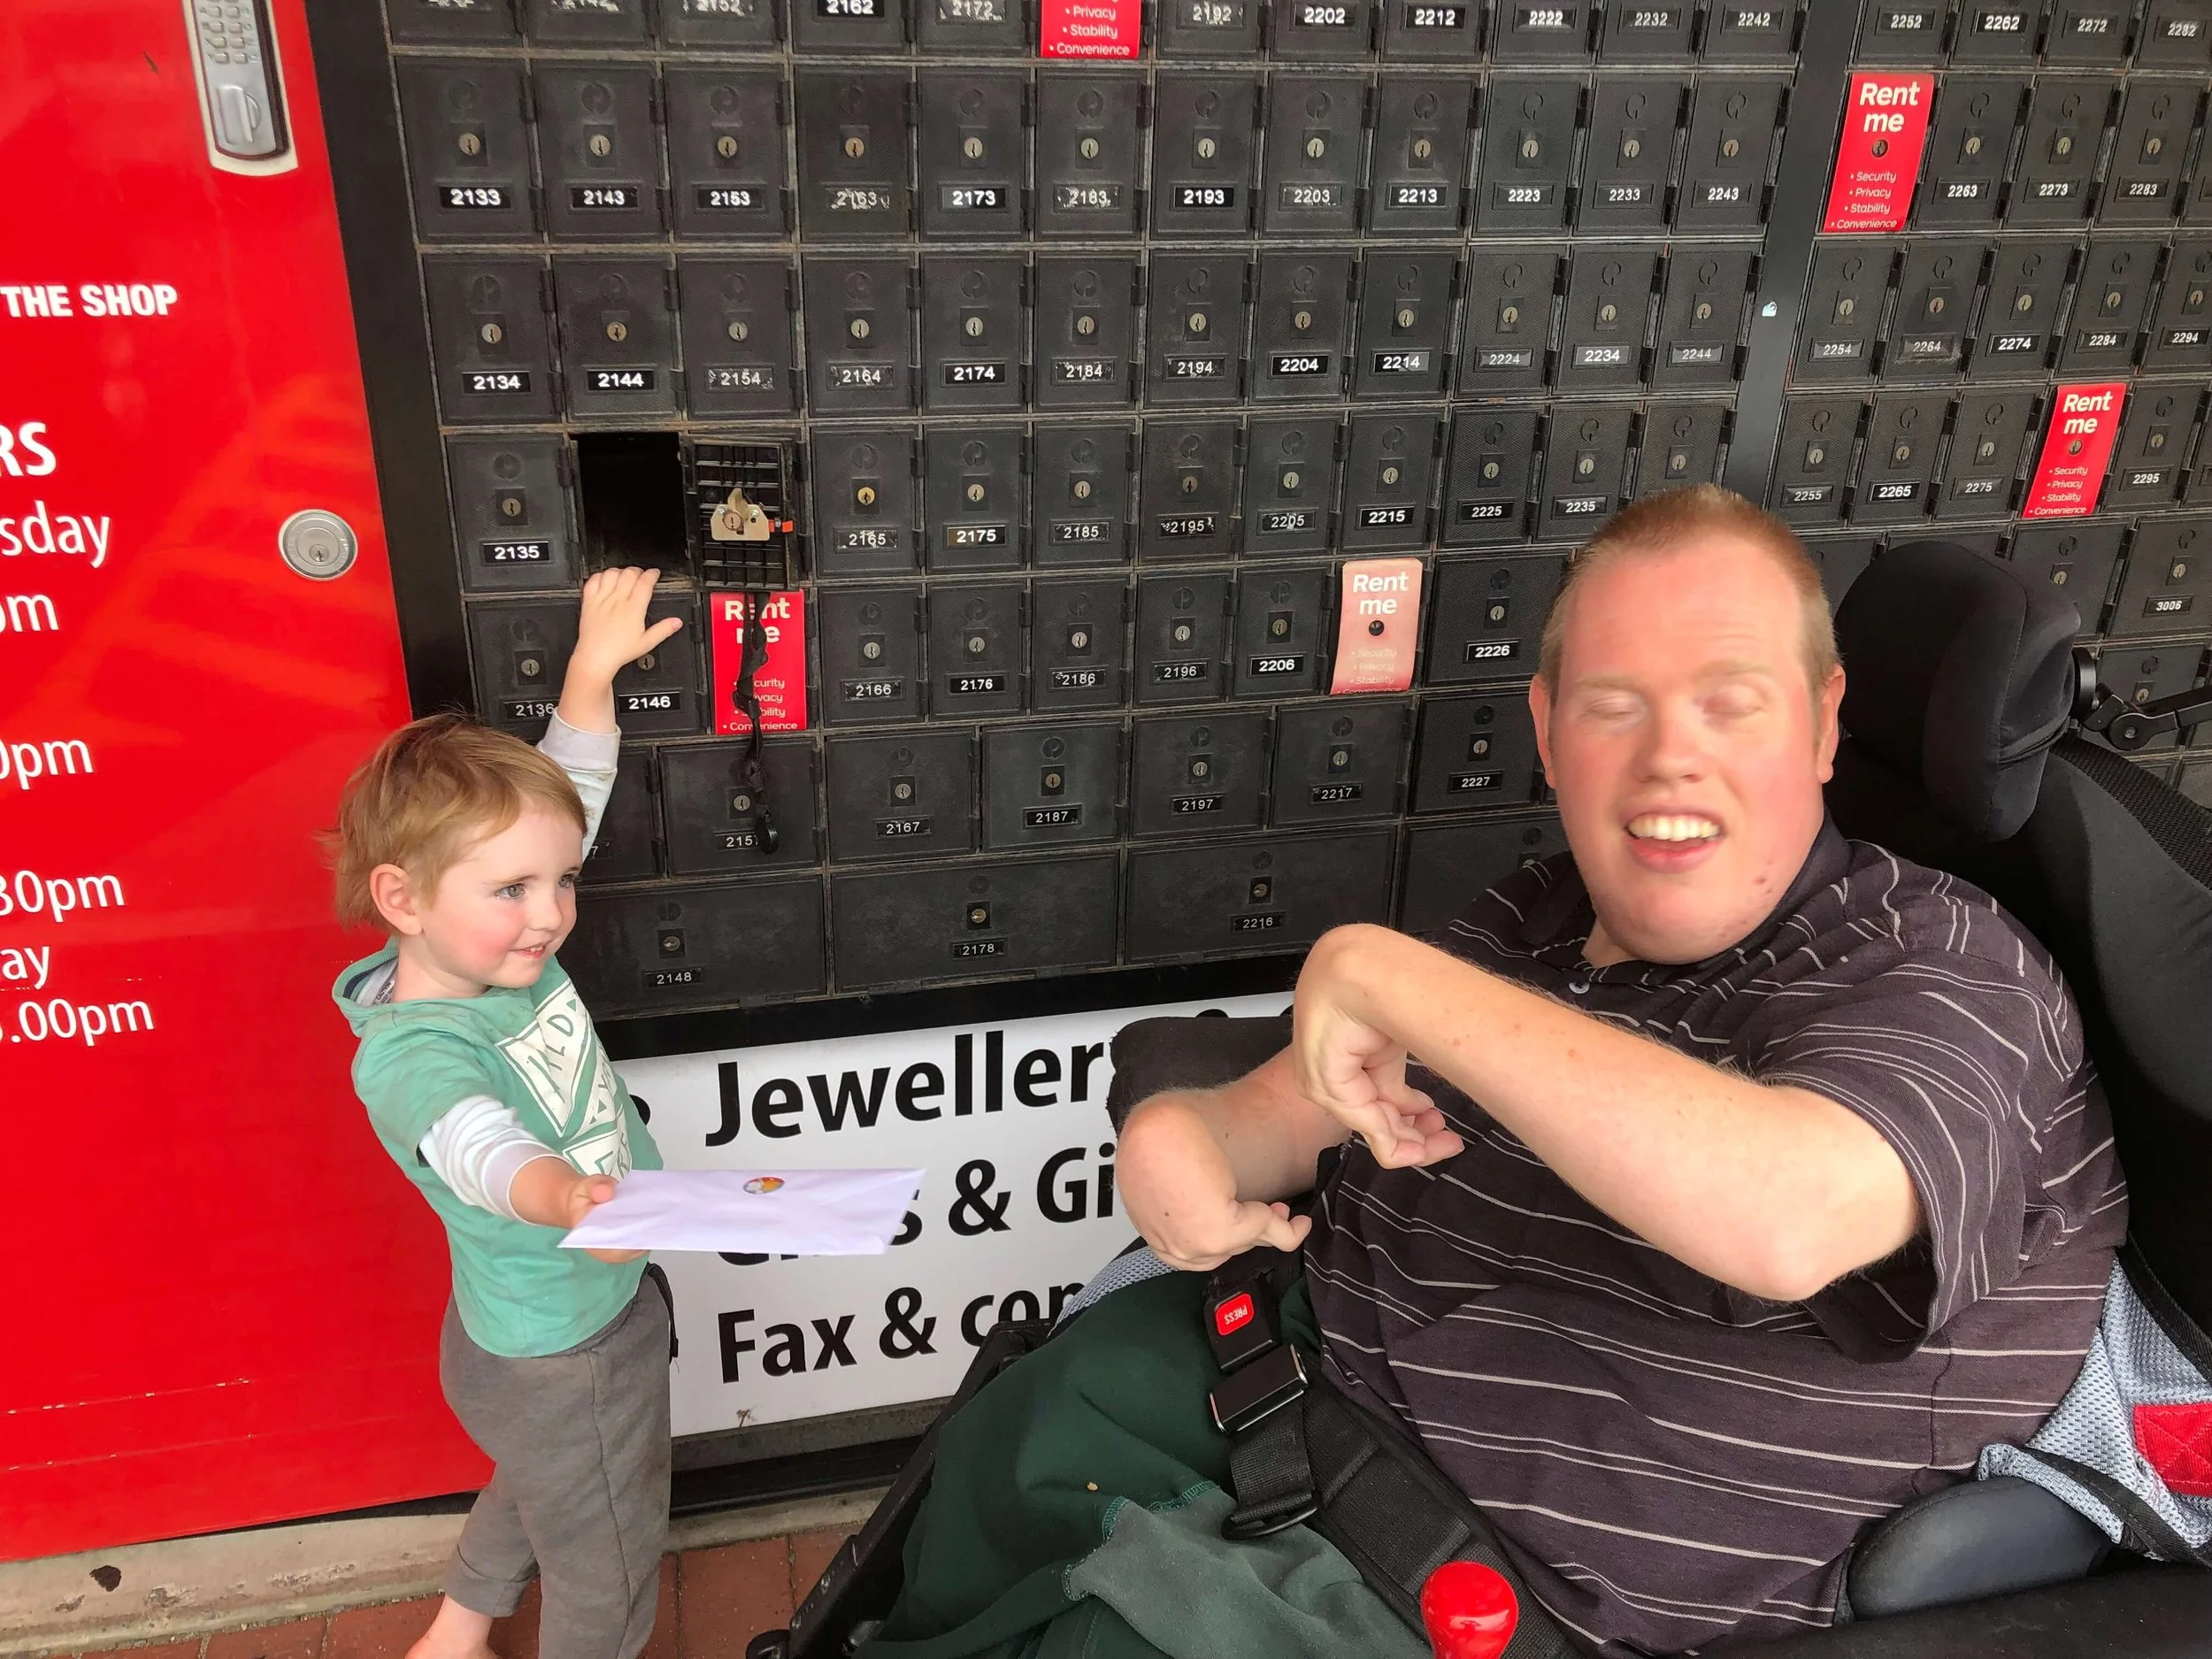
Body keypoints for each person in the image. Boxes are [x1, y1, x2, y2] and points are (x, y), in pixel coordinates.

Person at [860, 488, 2125, 1659]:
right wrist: (1189, 1141)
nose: (1669, 756)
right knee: (978, 1476)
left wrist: (1380, 968)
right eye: (1614, 702)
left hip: (1496, 1584)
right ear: (1546, 727)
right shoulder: (1542, 913)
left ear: (1827, 720)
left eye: (1731, 699)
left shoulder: (1950, 967)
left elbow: (1797, 1211)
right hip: (1292, 1386)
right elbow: (1306, 1099)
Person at [331, 569, 684, 1659]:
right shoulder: (417, 1054)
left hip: (515, 1339)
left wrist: (590, 673)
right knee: (609, 1566)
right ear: (403, 898)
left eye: (562, 882)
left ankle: (458, 1626)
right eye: (514, 892)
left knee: (547, 1479)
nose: (550, 917)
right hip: (568, 1345)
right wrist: (565, 1192)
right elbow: (480, 1146)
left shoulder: (492, 965)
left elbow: (564, 793)